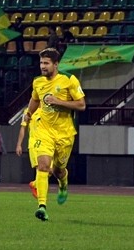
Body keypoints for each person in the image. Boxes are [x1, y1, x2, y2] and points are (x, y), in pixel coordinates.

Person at [23, 47, 86, 221]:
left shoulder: (69, 80)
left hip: (65, 133)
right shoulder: (38, 82)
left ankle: (63, 184)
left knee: (58, 170)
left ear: (56, 64)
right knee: (43, 165)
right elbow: (35, 99)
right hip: (44, 131)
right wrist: (29, 113)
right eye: (41, 63)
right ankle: (42, 207)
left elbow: (81, 105)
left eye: (46, 63)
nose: (43, 66)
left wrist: (58, 101)